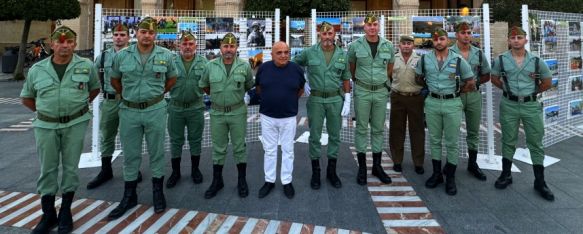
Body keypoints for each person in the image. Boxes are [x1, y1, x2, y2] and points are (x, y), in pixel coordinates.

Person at [20, 26, 100, 233]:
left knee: (71, 168)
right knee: (47, 169)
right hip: (46, 125)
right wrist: (47, 111)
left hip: (75, 123)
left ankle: (65, 211)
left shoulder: (86, 66)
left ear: (74, 44)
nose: (65, 46)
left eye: (69, 42)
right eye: (60, 42)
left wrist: (77, 108)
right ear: (52, 44)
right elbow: (27, 97)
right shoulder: (37, 70)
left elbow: (94, 89)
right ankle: (48, 215)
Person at [108, 17, 178, 220]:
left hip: (155, 109)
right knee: (130, 154)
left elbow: (171, 79)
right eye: (143, 32)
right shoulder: (122, 56)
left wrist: (155, 95)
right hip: (129, 111)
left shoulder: (166, 55)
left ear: (155, 35)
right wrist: (129, 96)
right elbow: (115, 80)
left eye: (151, 33)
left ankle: (158, 192)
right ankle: (129, 195)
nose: (147, 36)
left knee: (156, 151)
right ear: (136, 33)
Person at [490, 26, 555, 201]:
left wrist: (532, 93)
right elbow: (494, 77)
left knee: (535, 141)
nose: (516, 40)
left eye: (520, 37)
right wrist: (507, 89)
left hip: (530, 106)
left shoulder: (536, 61)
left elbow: (547, 82)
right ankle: (506, 175)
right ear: (509, 41)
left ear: (526, 40)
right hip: (509, 104)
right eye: (513, 38)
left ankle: (540, 182)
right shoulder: (501, 60)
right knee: (508, 140)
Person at [415, 28, 475, 196]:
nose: (438, 42)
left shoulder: (458, 60)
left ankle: (450, 178)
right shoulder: (425, 59)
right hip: (432, 103)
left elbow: (470, 82)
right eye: (435, 40)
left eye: (441, 39)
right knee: (434, 140)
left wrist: (456, 91)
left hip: (452, 103)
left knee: (452, 142)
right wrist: (428, 88)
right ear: (432, 42)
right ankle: (436, 174)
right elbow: (418, 77)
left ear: (447, 40)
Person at [293, 21, 351, 190]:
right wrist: (303, 81)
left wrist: (347, 98)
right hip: (316, 100)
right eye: (324, 34)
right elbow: (294, 64)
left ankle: (331, 172)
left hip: (335, 99)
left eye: (330, 33)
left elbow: (346, 77)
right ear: (320, 34)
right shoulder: (310, 52)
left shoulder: (342, 54)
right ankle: (316, 172)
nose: (327, 37)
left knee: (335, 136)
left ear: (334, 35)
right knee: (314, 136)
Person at [88, 23, 144, 190]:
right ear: (112, 37)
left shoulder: (136, 55)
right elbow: (94, 74)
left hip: (129, 101)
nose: (119, 38)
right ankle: (106, 170)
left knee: (131, 136)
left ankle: (133, 170)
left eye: (122, 35)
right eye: (116, 35)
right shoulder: (104, 57)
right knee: (107, 135)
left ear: (128, 37)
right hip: (110, 101)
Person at [199, 33, 254, 199]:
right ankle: (217, 181)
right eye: (225, 46)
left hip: (237, 112)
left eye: (232, 46)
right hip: (217, 112)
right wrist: (219, 100)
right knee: (218, 147)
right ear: (221, 48)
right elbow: (205, 86)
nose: (228, 49)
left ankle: (242, 180)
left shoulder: (244, 66)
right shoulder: (210, 66)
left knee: (239, 146)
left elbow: (248, 85)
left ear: (236, 48)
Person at [347, 13, 394, 185]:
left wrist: (381, 81)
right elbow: (352, 67)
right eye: (369, 25)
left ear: (378, 26)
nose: (372, 27)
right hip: (363, 91)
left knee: (378, 129)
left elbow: (390, 68)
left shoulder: (388, 46)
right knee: (361, 128)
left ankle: (377, 166)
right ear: (364, 27)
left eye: (375, 24)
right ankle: (362, 168)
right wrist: (360, 81)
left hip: (381, 92)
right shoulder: (355, 46)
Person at [256, 41, 305, 199]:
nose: (284, 55)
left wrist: (287, 101)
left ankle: (286, 181)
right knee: (269, 150)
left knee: (288, 151)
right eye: (279, 52)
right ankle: (269, 181)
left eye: (286, 52)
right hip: (267, 116)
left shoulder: (296, 69)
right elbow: (259, 88)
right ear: (272, 55)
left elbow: (300, 89)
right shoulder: (263, 68)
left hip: (288, 117)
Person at [166, 32, 208, 188]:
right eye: (184, 44)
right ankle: (175, 172)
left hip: (195, 108)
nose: (187, 47)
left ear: (196, 46)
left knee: (195, 140)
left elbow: (208, 84)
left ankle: (195, 169)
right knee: (175, 141)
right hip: (175, 107)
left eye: (190, 44)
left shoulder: (204, 63)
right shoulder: (171, 62)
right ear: (179, 46)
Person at [449, 22, 491, 181]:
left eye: (469, 32)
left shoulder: (478, 53)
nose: (466, 36)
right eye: (463, 33)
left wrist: (475, 83)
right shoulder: (449, 52)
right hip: (455, 95)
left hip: (473, 95)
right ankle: (450, 163)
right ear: (457, 35)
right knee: (452, 130)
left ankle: (472, 163)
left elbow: (487, 74)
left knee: (473, 131)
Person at [389, 35, 425, 174]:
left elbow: (424, 78)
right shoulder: (394, 59)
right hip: (397, 96)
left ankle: (418, 163)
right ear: (399, 45)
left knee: (417, 131)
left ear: (413, 46)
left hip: (415, 98)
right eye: (403, 43)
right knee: (396, 130)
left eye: (409, 44)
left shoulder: (420, 60)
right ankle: (397, 161)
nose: (406, 46)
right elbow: (389, 75)